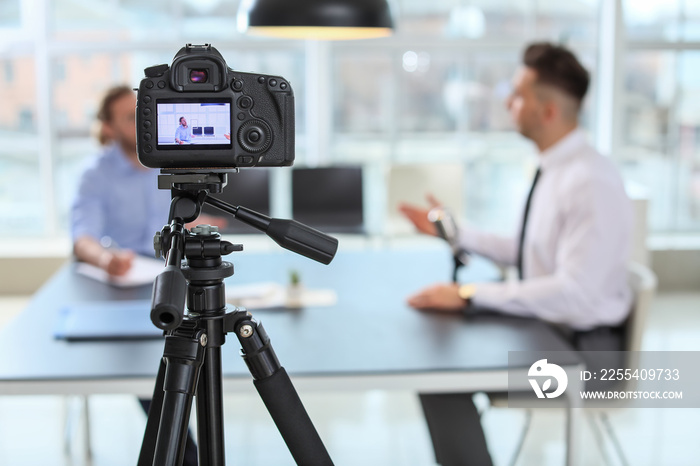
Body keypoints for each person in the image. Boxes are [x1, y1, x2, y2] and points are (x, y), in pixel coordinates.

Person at [400, 43, 633, 466]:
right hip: (549, 333)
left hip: (588, 361)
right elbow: (529, 251)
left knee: (439, 374)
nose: (508, 101)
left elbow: (575, 293)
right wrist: (454, 233)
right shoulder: (558, 168)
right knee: (435, 361)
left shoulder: (589, 181)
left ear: (547, 112)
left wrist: (470, 294)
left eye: (519, 93)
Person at [71, 86, 204, 465]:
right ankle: (182, 450)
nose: (142, 123)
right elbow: (83, 237)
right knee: (152, 365)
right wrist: (105, 258)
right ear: (109, 128)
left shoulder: (172, 161)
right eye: (130, 118)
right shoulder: (95, 174)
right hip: (126, 281)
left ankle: (186, 444)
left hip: (172, 272)